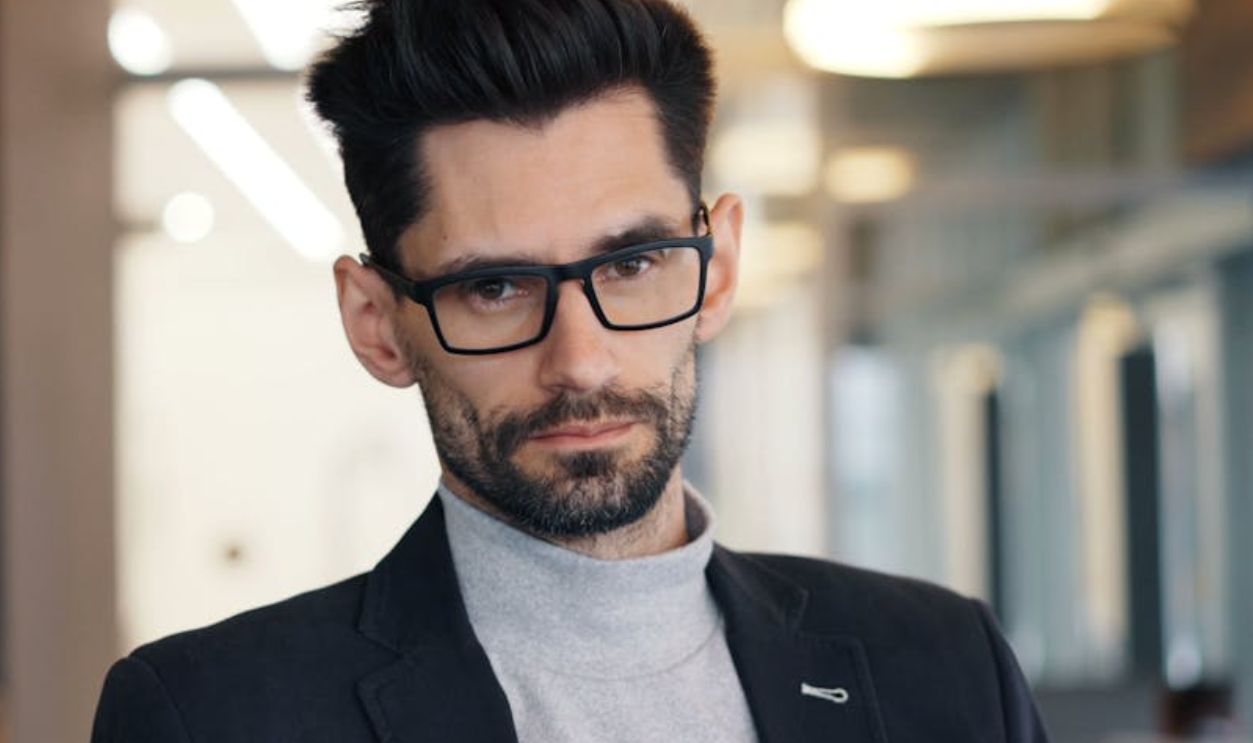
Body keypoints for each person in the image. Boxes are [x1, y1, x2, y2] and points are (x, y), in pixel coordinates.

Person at [91, 1, 1050, 741]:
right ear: (378, 325)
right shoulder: (211, 715)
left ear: (714, 271)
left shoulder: (942, 666)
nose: (579, 359)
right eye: (496, 287)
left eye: (630, 266)